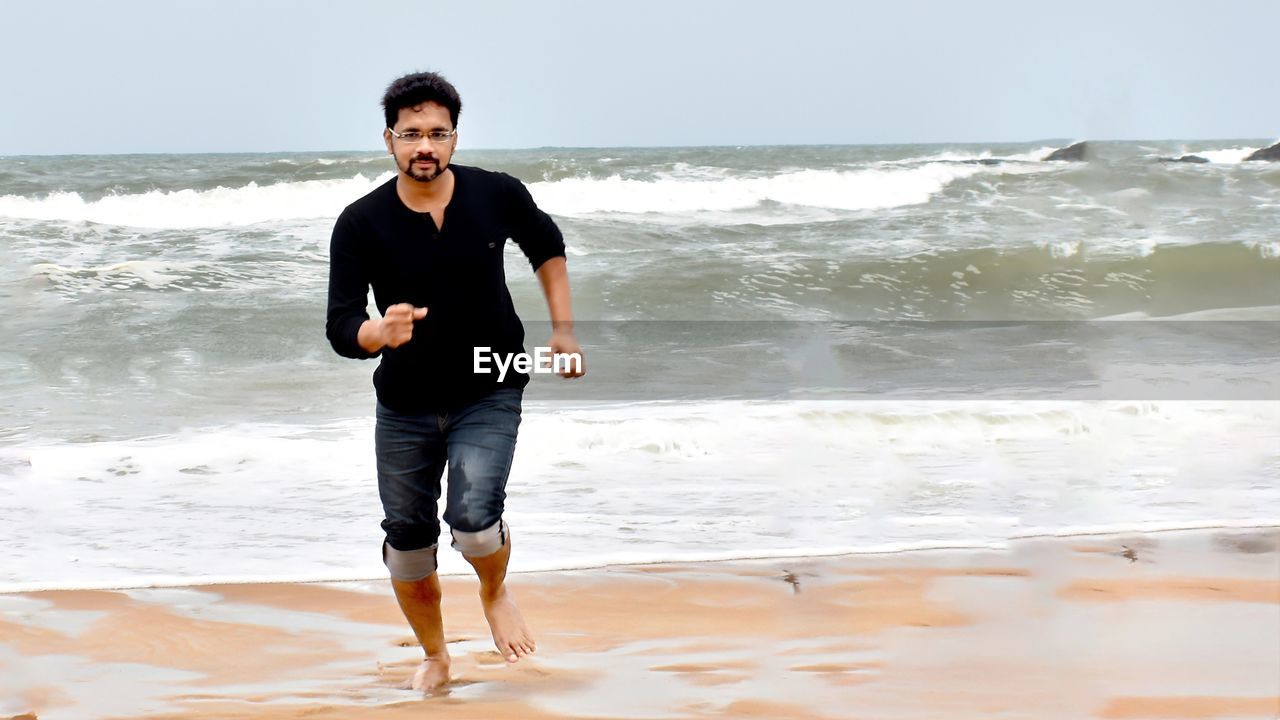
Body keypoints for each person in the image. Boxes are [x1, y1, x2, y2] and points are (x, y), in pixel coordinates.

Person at [325, 70, 584, 692]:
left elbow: (547, 247)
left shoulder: (496, 194)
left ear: (455, 139)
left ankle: (495, 592)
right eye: (411, 133)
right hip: (406, 400)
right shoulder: (360, 223)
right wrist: (376, 335)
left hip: (494, 379)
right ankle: (436, 653)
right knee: (409, 543)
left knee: (472, 519)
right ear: (389, 140)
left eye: (437, 134)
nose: (425, 146)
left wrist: (564, 332)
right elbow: (340, 326)